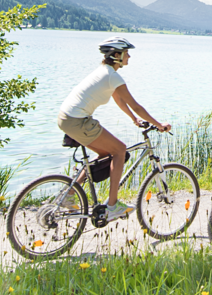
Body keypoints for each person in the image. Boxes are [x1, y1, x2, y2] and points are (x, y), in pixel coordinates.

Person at [57, 35, 170, 221]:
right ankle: (112, 206)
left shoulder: (105, 72)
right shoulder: (112, 76)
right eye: (126, 53)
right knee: (119, 150)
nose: (129, 57)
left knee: (107, 154)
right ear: (116, 55)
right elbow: (136, 106)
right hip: (78, 120)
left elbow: (119, 99)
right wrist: (159, 124)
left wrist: (134, 119)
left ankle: (69, 194)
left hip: (67, 118)